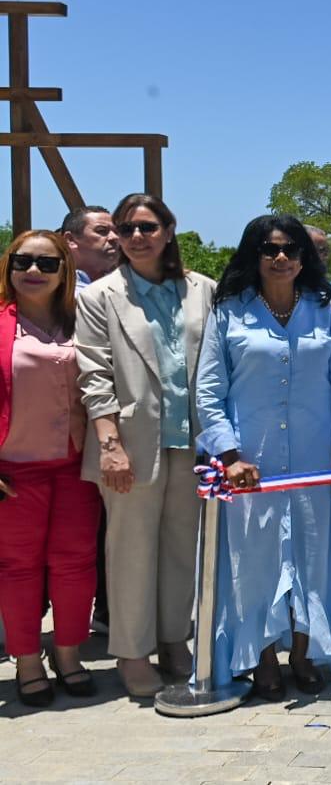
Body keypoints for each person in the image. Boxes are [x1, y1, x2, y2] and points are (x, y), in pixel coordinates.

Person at [195, 214, 331, 701]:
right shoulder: (228, 312)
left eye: (291, 248)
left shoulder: (325, 311)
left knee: (314, 554)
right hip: (252, 460)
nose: (282, 257)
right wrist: (228, 455)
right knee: (256, 558)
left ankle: (305, 653)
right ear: (255, 255)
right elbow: (209, 391)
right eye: (270, 249)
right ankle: (261, 657)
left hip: (315, 457)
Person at [75, 193, 216, 698]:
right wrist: (110, 444)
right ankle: (132, 653)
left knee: (183, 548)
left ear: (169, 230)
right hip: (130, 444)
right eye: (126, 229)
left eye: (147, 227)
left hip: (191, 440)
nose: (135, 237)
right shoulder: (99, 296)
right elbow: (94, 376)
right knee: (130, 551)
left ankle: (175, 640)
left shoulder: (202, 290)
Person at [0, 231, 101, 706]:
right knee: (18, 568)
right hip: (14, 471)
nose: (33, 271)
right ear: (9, 267)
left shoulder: (86, 322)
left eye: (46, 262)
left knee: (76, 564)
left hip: (76, 466)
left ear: (65, 270)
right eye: (22, 261)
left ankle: (68, 654)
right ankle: (25, 660)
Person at [59, 205, 117, 632]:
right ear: (71, 241)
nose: (115, 238)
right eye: (103, 231)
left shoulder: (128, 288)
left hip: (110, 428)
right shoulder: (49, 293)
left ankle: (109, 609)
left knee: (107, 528)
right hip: (54, 435)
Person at [59, 205, 120, 288]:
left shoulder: (130, 287)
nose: (114, 237)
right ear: (70, 240)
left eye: (117, 232)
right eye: (101, 231)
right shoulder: (51, 290)